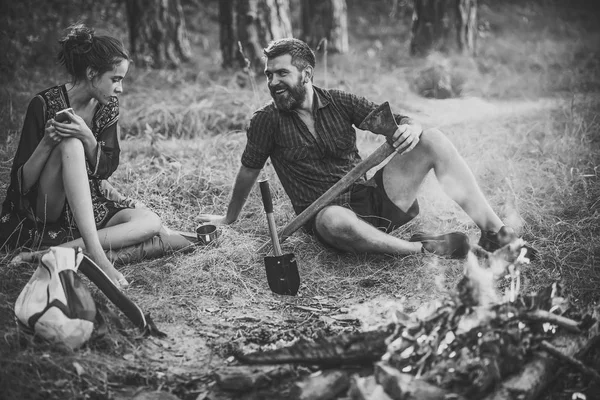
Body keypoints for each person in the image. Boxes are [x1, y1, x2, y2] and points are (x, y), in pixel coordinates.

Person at [198, 38, 529, 258]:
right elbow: (249, 170)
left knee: (433, 139)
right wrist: (229, 217)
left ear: (306, 74)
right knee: (333, 221)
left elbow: (393, 121)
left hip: (373, 198)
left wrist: (410, 128)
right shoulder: (266, 121)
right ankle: (420, 249)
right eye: (269, 75)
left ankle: (496, 232)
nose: (272, 83)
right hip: (329, 215)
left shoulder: (340, 102)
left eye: (282, 73)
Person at [0, 24, 193, 288]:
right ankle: (100, 259)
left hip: (85, 202)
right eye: (116, 79)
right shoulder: (42, 104)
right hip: (46, 209)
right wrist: (47, 142)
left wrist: (88, 136)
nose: (120, 88)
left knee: (150, 222)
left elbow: (105, 169)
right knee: (70, 143)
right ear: (92, 73)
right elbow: (20, 185)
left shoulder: (107, 106)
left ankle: (49, 254)